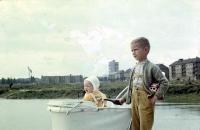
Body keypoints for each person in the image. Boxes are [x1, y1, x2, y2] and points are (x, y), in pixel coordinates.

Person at [119, 37, 169, 130]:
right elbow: (132, 87)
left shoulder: (152, 67)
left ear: (146, 50)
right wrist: (124, 98)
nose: (133, 53)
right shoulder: (133, 68)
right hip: (134, 102)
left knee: (145, 127)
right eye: (132, 50)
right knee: (135, 127)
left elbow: (164, 83)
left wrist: (155, 98)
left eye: (136, 50)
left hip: (146, 102)